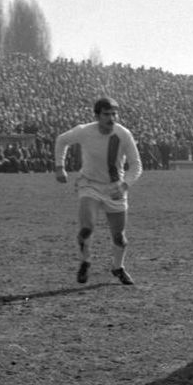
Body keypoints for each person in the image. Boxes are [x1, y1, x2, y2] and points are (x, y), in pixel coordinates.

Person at [54, 96, 144, 285]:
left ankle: (118, 267)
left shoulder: (123, 134)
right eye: (106, 114)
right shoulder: (84, 131)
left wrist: (125, 185)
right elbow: (62, 141)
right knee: (87, 227)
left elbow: (136, 165)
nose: (111, 118)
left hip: (115, 188)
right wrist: (59, 166)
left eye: (114, 114)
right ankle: (85, 261)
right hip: (89, 185)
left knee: (119, 237)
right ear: (97, 116)